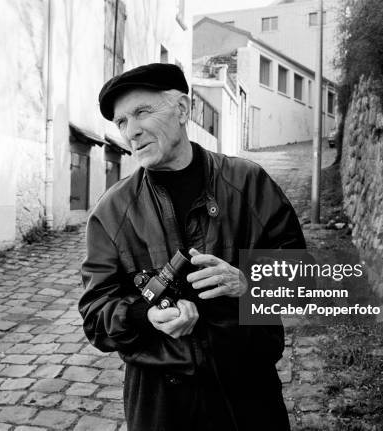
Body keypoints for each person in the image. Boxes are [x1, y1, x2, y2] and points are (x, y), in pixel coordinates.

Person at [79, 63, 306, 431]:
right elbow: (95, 314)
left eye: (142, 112)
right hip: (159, 403)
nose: (131, 131)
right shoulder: (111, 211)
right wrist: (145, 316)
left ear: (183, 110)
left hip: (248, 391)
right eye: (121, 122)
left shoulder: (248, 185)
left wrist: (246, 283)